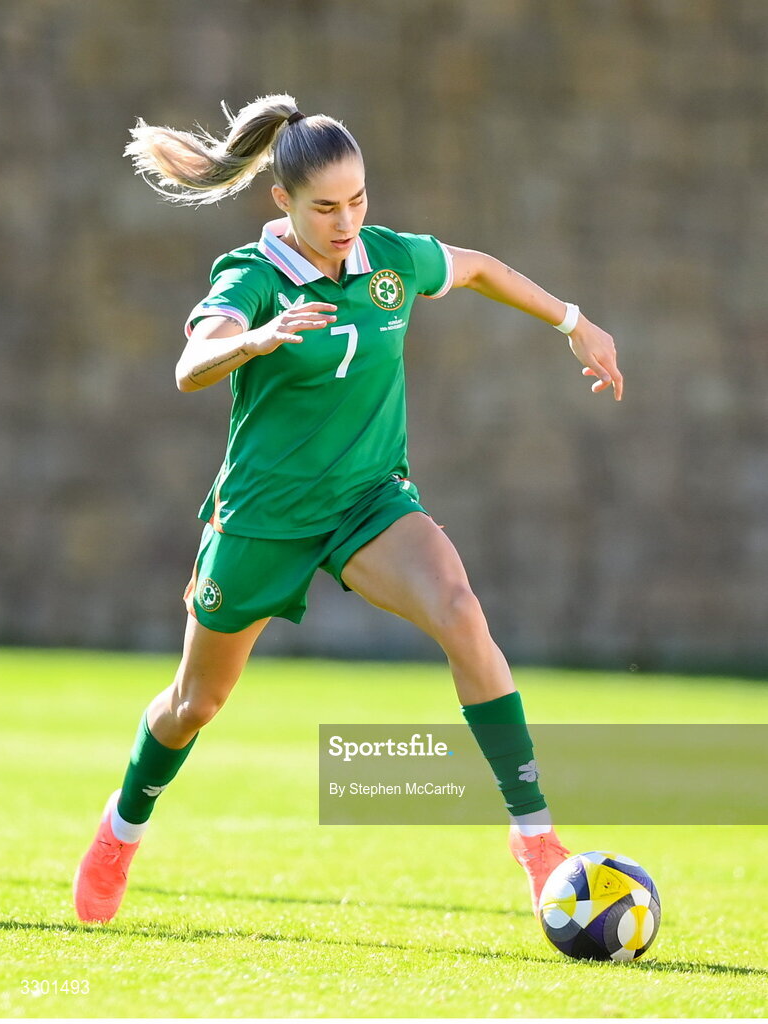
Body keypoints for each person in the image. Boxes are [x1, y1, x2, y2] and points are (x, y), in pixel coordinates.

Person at [73, 94, 623, 924]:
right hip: (263, 518)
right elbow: (191, 363)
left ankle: (535, 838)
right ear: (283, 203)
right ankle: (120, 831)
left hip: (369, 501)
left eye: (358, 198)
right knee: (195, 705)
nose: (346, 220)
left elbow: (474, 267)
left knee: (461, 611)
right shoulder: (251, 277)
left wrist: (574, 321)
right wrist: (254, 340)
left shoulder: (390, 260)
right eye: (325, 206)